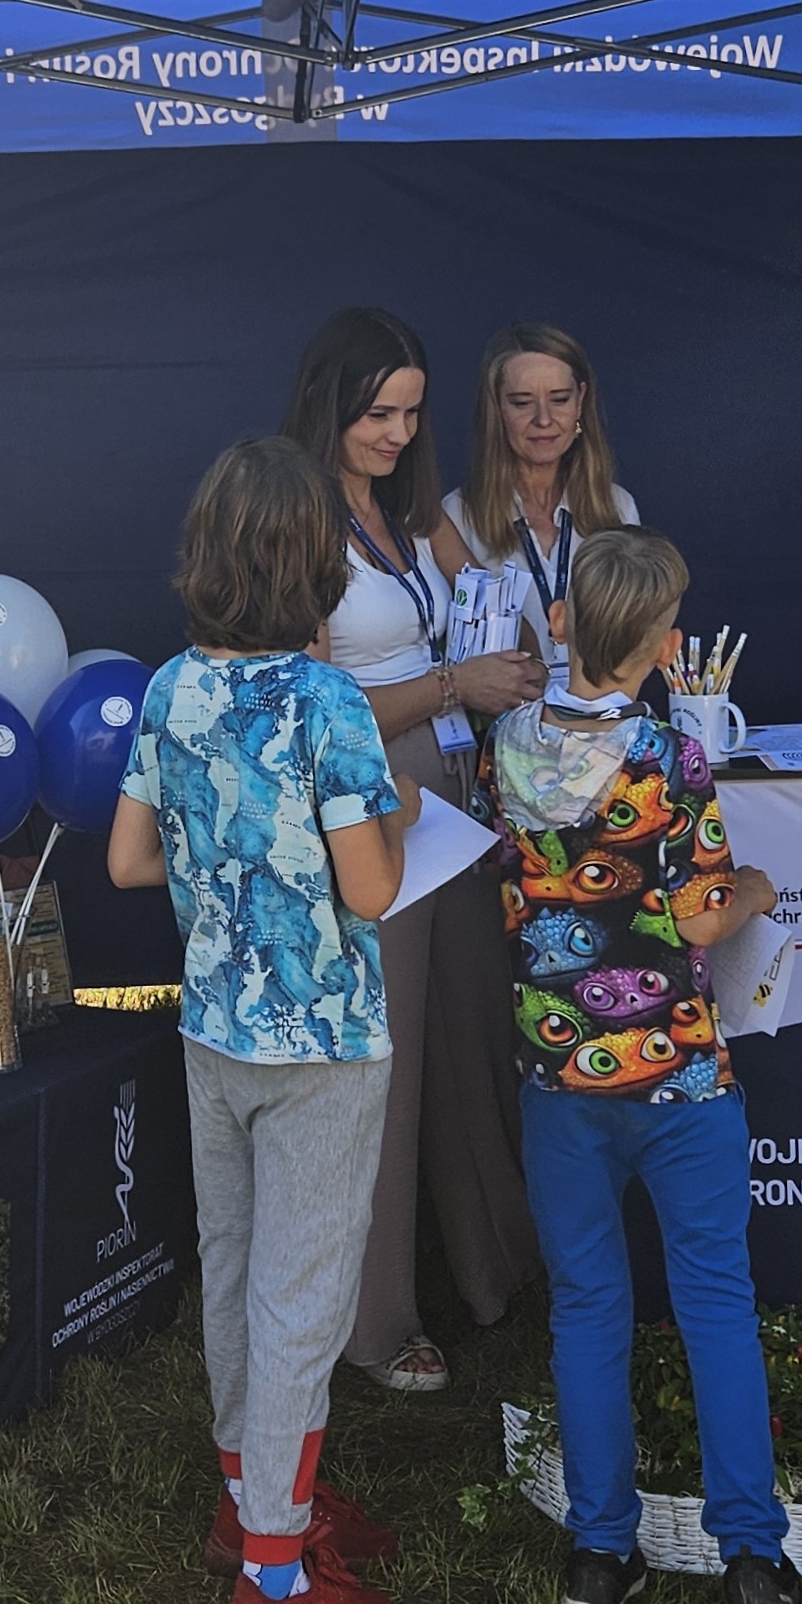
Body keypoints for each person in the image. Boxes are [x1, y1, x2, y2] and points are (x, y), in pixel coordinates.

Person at [109, 435, 414, 1604]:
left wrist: (225, 864)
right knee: (302, 1298)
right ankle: (274, 1579)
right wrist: (392, 818)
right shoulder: (329, 704)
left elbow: (129, 859)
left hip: (212, 1027)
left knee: (236, 1269)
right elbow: (374, 889)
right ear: (315, 566)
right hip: (323, 1040)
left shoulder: (170, 686)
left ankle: (250, 1503)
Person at [487, 526, 802, 1604]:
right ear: (669, 647)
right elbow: (700, 914)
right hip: (678, 1075)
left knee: (588, 1305)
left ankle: (599, 1555)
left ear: (562, 620)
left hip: (559, 1075)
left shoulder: (503, 743)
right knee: (714, 1300)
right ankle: (753, 1562)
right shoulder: (671, 757)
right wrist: (758, 884)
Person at [285, 307, 544, 1396]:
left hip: (452, 795)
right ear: (330, 407)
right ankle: (375, 1319)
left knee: (472, 1029)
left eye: (410, 412)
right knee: (381, 1062)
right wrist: (451, 685)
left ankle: (495, 1273)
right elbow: (305, 701)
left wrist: (502, 661)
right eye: (376, 414)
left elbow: (487, 592)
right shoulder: (298, 520)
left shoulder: (404, 510)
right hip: (370, 800)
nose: (397, 433)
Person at [444, 322, 639, 669]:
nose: (544, 420)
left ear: (581, 400)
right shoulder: (457, 516)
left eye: (559, 399)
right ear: (496, 409)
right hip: (500, 704)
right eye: (522, 403)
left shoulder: (617, 508)